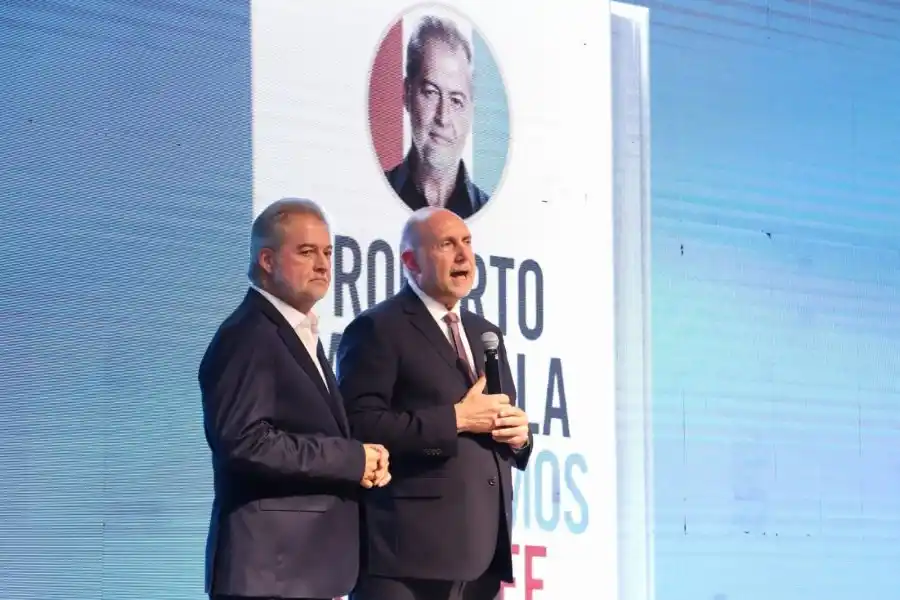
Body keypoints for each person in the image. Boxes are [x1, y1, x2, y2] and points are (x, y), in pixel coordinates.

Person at [198, 198, 391, 600]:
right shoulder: (247, 335)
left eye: (327, 253)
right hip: (270, 572)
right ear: (266, 260)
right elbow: (245, 444)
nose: (323, 265)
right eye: (306, 252)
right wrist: (351, 459)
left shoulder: (294, 332)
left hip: (298, 571)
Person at [337, 207, 533, 600]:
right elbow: (359, 427)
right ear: (410, 261)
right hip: (408, 560)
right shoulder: (378, 328)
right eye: (447, 245)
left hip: (482, 557)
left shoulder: (485, 333)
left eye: (467, 243)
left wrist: (520, 438)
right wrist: (456, 419)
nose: (464, 256)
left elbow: (499, 419)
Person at [384, 15, 490, 220]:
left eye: (456, 100)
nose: (443, 117)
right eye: (431, 93)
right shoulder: (375, 193)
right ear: (407, 94)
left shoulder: (488, 212)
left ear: (471, 111)